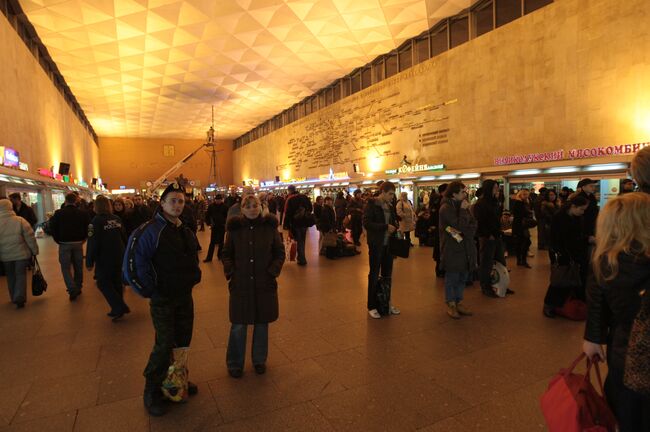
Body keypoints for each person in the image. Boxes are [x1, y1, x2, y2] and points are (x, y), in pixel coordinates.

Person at [122, 182, 201, 417]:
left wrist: (194, 277)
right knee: (164, 342)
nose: (177, 205)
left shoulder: (184, 229)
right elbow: (133, 264)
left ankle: (177, 380)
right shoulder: (149, 230)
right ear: (162, 203)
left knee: (182, 340)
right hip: (163, 297)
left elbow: (192, 258)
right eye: (173, 201)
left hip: (184, 295)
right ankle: (152, 389)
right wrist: (148, 291)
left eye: (181, 201)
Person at [583, 192, 650, 431]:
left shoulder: (605, 261)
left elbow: (597, 302)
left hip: (622, 348)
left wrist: (593, 337)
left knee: (626, 412)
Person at [222, 193, 285, 378]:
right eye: (248, 206)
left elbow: (279, 253)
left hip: (264, 283)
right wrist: (231, 271)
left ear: (261, 206)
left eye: (255, 205)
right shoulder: (234, 229)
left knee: (261, 324)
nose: (252, 209)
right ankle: (235, 363)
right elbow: (226, 253)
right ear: (241, 209)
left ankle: (259, 360)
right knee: (238, 325)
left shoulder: (269, 228)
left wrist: (272, 271)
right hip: (240, 283)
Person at [542, 195, 590, 317]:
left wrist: (585, 240)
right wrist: (561, 253)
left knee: (574, 280)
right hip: (563, 253)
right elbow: (555, 238)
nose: (583, 212)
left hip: (576, 253)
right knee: (560, 280)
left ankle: (568, 305)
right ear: (573, 206)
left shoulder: (578, 218)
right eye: (581, 209)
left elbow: (577, 236)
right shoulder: (559, 217)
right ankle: (550, 305)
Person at [86, 195, 129, 320]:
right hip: (119, 254)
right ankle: (117, 308)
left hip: (104, 257)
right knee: (116, 282)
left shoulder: (94, 222)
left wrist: (89, 261)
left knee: (103, 283)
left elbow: (92, 242)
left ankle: (118, 306)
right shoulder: (116, 219)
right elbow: (124, 236)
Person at [363, 181, 401, 319]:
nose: (392, 197)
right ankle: (371, 305)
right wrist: (385, 227)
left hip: (388, 245)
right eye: (390, 194)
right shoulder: (372, 204)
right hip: (376, 244)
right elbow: (367, 223)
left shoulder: (390, 206)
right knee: (373, 275)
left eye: (393, 194)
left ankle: (386, 303)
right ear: (383, 192)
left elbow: (393, 221)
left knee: (387, 275)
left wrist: (395, 226)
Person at [439, 181, 477, 319]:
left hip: (465, 246)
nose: (465, 194)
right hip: (452, 249)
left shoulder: (463, 206)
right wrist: (462, 211)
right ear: (454, 193)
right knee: (452, 277)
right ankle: (451, 304)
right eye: (462, 192)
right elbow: (458, 226)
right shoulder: (446, 208)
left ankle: (459, 301)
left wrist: (467, 230)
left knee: (462, 276)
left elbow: (473, 223)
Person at [48, 192, 91, 300]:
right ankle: (78, 286)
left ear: (65, 201)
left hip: (64, 243)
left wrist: (57, 239)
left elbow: (52, 227)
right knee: (78, 266)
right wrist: (85, 238)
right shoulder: (83, 213)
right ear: (76, 201)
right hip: (78, 243)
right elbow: (89, 227)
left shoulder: (58, 213)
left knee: (65, 267)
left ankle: (72, 288)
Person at [0, 199, 39, 308]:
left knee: (10, 276)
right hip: (21, 254)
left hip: (5, 256)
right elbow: (30, 237)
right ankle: (20, 297)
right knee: (21, 275)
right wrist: (34, 250)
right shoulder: (20, 221)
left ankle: (13, 297)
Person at [473, 180, 509, 298]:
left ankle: (502, 283)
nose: (497, 190)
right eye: (494, 188)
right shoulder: (481, 204)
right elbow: (482, 221)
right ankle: (485, 286)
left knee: (501, 260)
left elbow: (496, 219)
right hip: (487, 236)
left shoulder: (495, 202)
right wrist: (489, 234)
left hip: (496, 235)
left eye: (497, 188)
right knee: (486, 262)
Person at [283, 185, 313, 266]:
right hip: (304, 222)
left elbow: (287, 213)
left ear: (289, 190)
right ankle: (301, 257)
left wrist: (286, 225)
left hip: (295, 223)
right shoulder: (304, 197)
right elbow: (310, 208)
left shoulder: (290, 199)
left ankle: (302, 259)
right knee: (302, 240)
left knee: (298, 240)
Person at [511, 189, 533, 268]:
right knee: (523, 242)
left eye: (527, 194)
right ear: (520, 195)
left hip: (521, 226)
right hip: (519, 226)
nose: (526, 196)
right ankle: (521, 260)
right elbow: (520, 214)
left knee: (523, 243)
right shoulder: (519, 203)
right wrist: (528, 213)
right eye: (524, 194)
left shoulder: (525, 203)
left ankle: (521, 260)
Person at [204, 194, 229, 262]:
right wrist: (208, 223)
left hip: (222, 226)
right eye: (217, 200)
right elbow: (207, 215)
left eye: (219, 200)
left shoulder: (225, 207)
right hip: (214, 226)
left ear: (221, 200)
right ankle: (209, 258)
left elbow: (227, 216)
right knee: (212, 242)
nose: (218, 201)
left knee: (221, 242)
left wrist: (226, 224)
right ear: (215, 200)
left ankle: (220, 256)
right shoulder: (211, 206)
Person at [576, 178, 599, 246]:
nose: (593, 188)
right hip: (582, 225)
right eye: (591, 186)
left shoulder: (592, 197)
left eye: (594, 186)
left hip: (592, 224)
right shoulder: (579, 198)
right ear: (583, 187)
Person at [538, 190, 559, 255]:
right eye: (550, 195)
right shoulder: (544, 203)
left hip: (555, 223)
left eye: (553, 195)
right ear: (547, 196)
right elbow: (545, 214)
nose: (552, 196)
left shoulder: (557, 203)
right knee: (549, 239)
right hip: (548, 223)